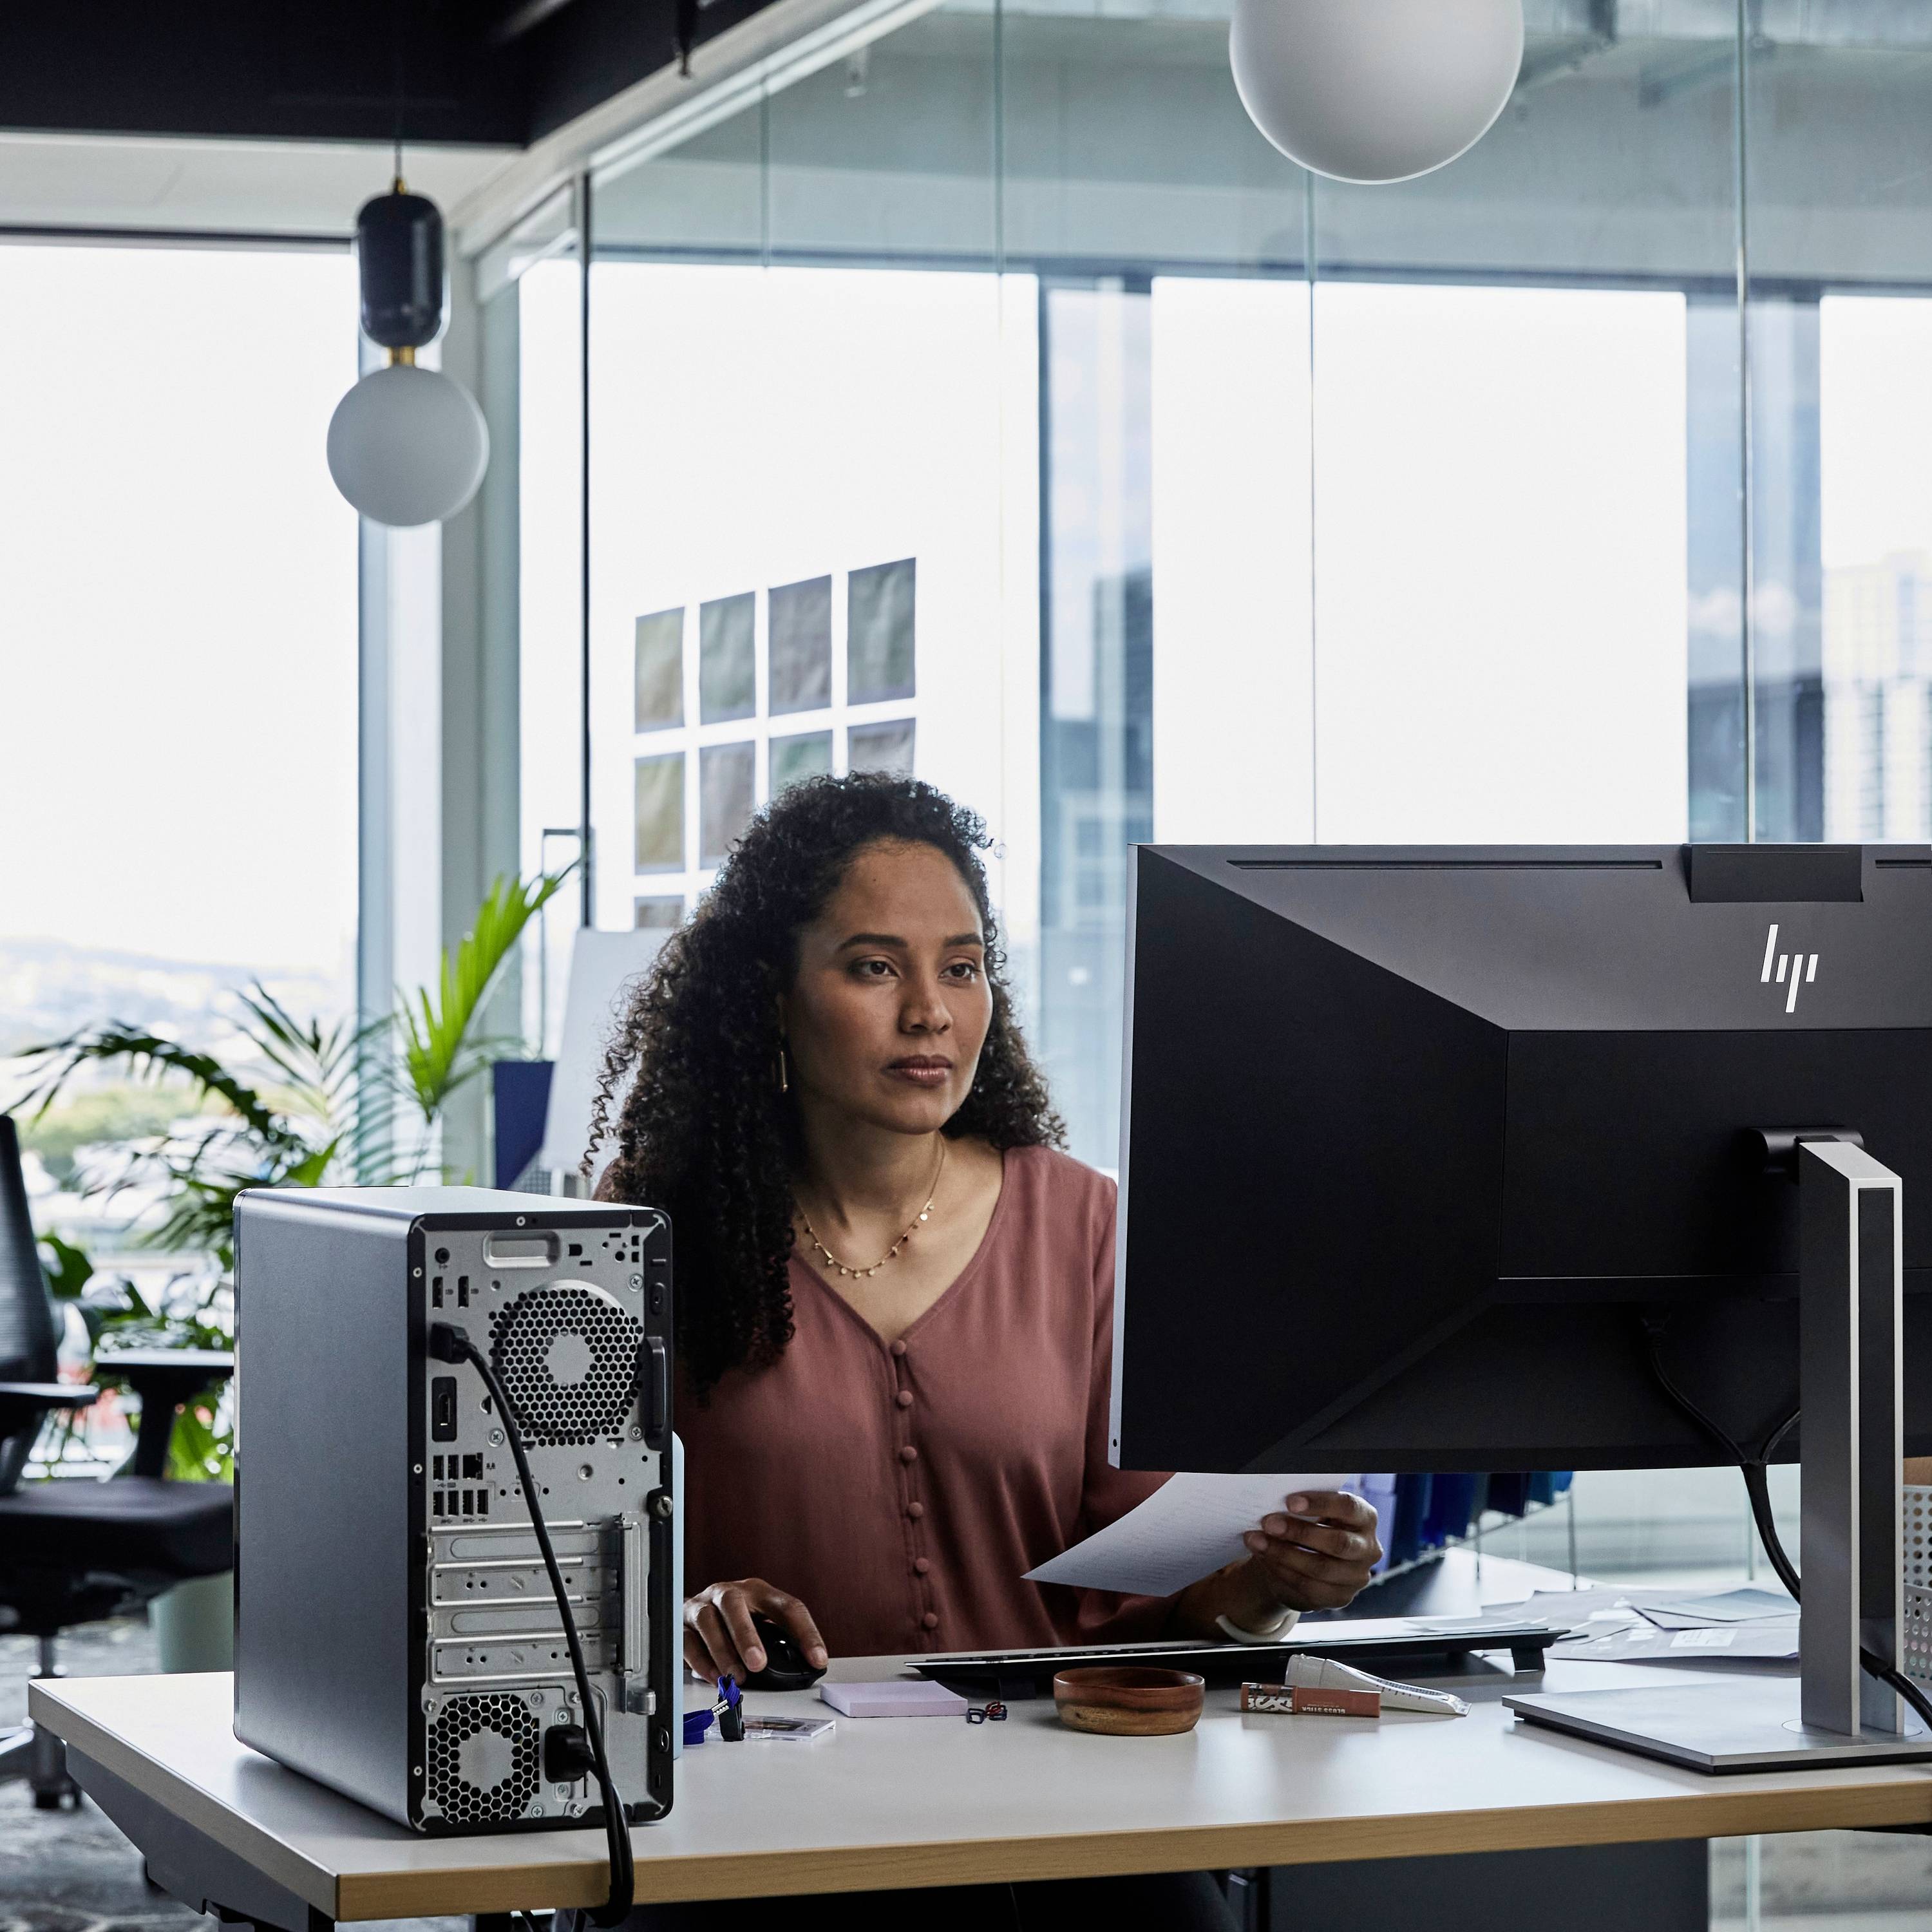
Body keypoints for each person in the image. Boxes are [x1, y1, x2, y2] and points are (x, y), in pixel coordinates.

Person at [589, 773, 1382, 1930]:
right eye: (874, 967)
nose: (931, 1012)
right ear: (768, 993)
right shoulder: (649, 1229)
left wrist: (1269, 1586)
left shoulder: (1085, 1225)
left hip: (1063, 1815)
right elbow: (570, 1572)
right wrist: (685, 1611)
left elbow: (1143, 1604)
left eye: (961, 968)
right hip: (757, 1828)